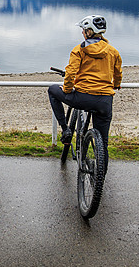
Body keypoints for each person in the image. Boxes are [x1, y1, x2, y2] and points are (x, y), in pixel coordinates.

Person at [48, 15, 122, 172]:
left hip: (82, 97)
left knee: (52, 90)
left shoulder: (79, 50)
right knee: (103, 142)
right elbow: (117, 74)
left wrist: (67, 89)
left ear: (89, 32)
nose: (82, 33)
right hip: (105, 100)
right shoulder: (113, 52)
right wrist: (116, 85)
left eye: (83, 30)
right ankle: (100, 176)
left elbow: (70, 73)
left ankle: (65, 129)